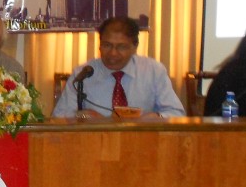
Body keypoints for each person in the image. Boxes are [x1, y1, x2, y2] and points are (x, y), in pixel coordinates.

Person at [52, 16, 184, 119]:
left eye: (121, 47)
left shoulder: (153, 71)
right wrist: (85, 116)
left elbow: (177, 113)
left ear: (135, 47)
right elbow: (60, 116)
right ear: (100, 44)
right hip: (95, 141)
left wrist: (153, 118)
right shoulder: (83, 74)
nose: (113, 53)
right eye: (107, 45)